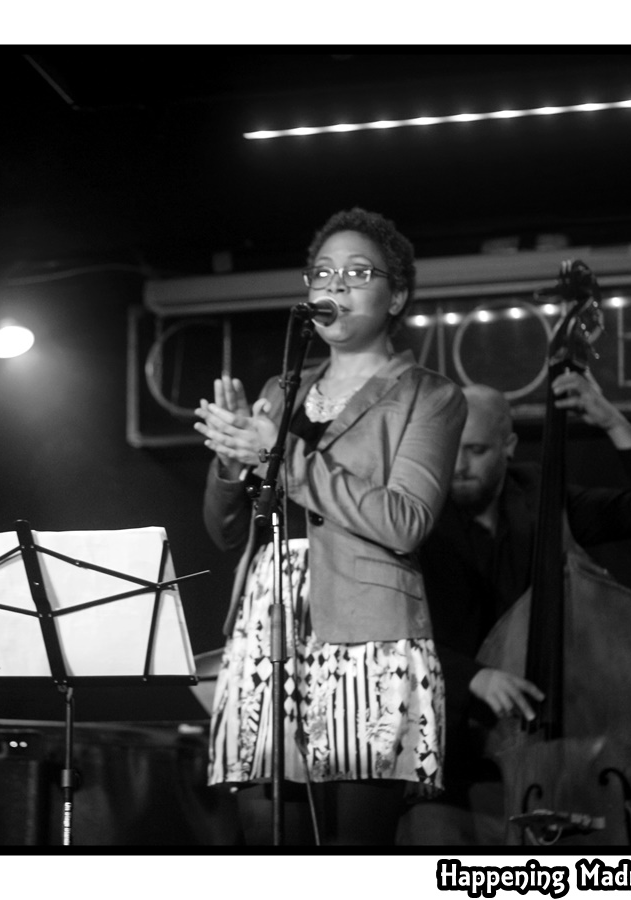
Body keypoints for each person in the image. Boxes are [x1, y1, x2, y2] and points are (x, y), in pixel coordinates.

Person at [194, 207, 467, 845]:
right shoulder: (280, 390)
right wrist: (231, 462)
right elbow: (226, 531)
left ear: (396, 296)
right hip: (268, 620)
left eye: (358, 272)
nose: (336, 284)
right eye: (322, 272)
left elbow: (406, 522)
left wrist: (281, 454)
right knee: (267, 836)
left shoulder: (428, 395)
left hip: (368, 632)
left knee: (354, 848)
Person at [395, 378, 631, 844]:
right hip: (452, 752)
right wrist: (474, 677)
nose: (459, 466)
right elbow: (394, 632)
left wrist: (612, 422)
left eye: (476, 450)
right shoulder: (411, 516)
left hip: (558, 744)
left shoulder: (542, 497)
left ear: (508, 446)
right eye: (450, 450)